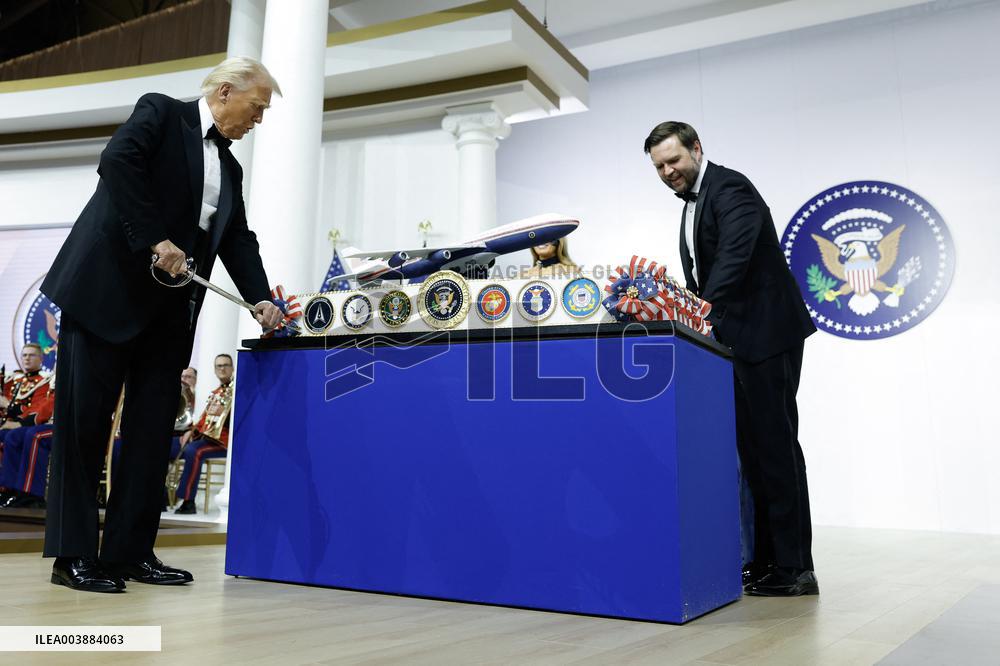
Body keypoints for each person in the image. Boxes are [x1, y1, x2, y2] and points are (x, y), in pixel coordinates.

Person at [40, 56, 284, 593]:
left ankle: (129, 553)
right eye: (257, 107)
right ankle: (72, 556)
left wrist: (261, 300)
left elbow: (237, 240)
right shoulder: (159, 113)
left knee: (152, 436)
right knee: (83, 431)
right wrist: (157, 238)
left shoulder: (232, 168)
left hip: (168, 314)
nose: (259, 120)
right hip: (104, 297)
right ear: (225, 91)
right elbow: (118, 164)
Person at [644, 121, 818, 597]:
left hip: (766, 335)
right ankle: (764, 562)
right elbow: (707, 275)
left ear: (696, 149)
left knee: (776, 449)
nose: (667, 171)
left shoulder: (731, 186)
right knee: (752, 455)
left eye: (674, 160)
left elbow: (735, 258)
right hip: (733, 342)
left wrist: (700, 311)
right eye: (659, 166)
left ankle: (796, 567)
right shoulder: (690, 205)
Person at [171, 354, 234, 514]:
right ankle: (161, 496)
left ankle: (188, 501)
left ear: (232, 368)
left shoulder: (237, 392)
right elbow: (204, 419)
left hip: (225, 443)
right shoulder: (217, 392)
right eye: (218, 366)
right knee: (167, 445)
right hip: (206, 438)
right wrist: (190, 433)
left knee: (194, 451)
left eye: (226, 365)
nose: (222, 368)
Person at [0, 344, 55, 508]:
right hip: (14, 423)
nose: (27, 359)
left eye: (31, 355)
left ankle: (21, 491)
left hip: (34, 424)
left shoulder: (43, 382)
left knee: (19, 435)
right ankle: (7, 488)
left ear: (41, 359)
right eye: (24, 355)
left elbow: (39, 409)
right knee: (9, 435)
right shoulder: (15, 379)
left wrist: (12, 412)